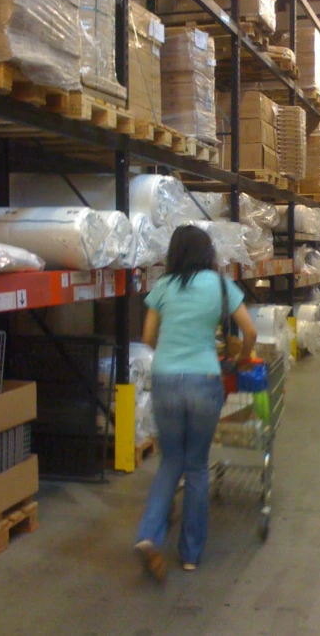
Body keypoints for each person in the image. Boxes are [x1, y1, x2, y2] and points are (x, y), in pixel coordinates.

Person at [134, 225, 257, 579]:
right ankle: (189, 553)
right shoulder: (221, 286)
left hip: (166, 381)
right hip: (205, 381)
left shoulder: (163, 286)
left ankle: (148, 536)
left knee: (170, 461)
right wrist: (242, 359)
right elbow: (248, 331)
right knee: (197, 466)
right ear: (207, 253)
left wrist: (172, 359)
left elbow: (146, 337)